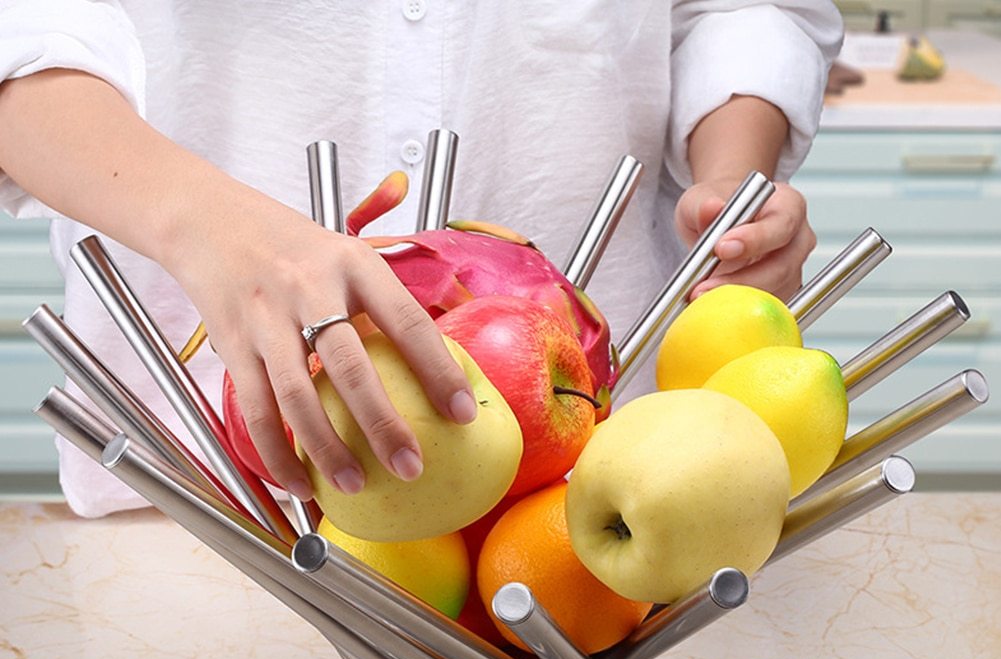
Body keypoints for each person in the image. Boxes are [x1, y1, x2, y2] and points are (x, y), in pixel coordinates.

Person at [0, 2, 843, 518]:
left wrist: (730, 168)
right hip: (209, 487)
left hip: (609, 471)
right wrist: (205, 224)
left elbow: (743, 6)